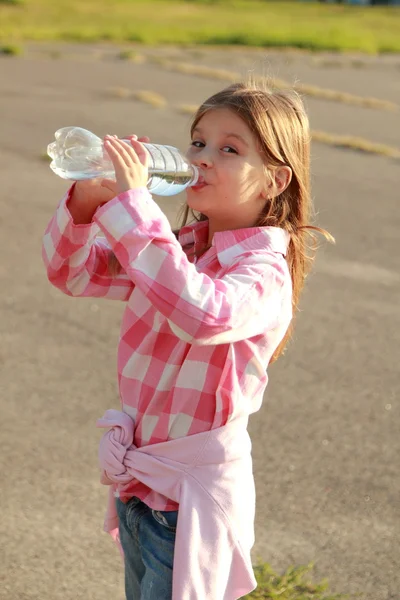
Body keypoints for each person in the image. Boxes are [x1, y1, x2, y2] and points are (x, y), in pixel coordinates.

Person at [42, 81, 333, 600]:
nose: (201, 159)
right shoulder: (179, 249)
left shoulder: (263, 270)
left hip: (190, 504)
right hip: (142, 492)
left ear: (274, 180)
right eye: (197, 142)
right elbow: (74, 274)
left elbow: (202, 313)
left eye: (229, 149)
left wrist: (136, 209)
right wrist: (91, 198)